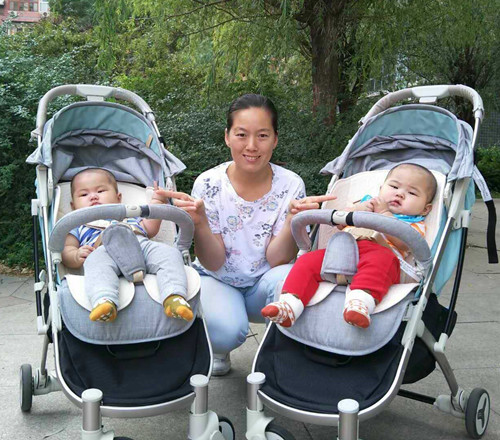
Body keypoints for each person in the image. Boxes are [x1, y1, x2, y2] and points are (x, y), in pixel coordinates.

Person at [156, 94, 334, 375]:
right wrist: (200, 223)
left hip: (265, 283)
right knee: (226, 332)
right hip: (217, 279)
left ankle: (282, 353)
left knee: (292, 278)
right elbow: (213, 262)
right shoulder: (208, 184)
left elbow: (277, 260)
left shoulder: (291, 185)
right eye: (241, 134)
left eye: (262, 135)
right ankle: (219, 348)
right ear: (227, 137)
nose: (252, 146)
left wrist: (292, 219)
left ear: (275, 139)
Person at [261, 163, 437, 329]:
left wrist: (384, 214)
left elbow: (406, 243)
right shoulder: (366, 203)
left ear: (425, 209)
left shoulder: (414, 224)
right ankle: (290, 303)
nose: (400, 194)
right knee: (307, 261)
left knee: (384, 260)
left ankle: (361, 301)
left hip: (378, 255)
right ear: (381, 189)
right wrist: (357, 210)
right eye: (394, 187)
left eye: (412, 193)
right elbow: (339, 223)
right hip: (340, 252)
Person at [61, 168, 193, 323]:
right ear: (73, 206)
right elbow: (66, 250)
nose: (93, 196)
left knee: (169, 253)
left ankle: (174, 296)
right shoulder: (78, 226)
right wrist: (75, 255)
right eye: (84, 194)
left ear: (118, 198)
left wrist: (157, 202)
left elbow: (150, 228)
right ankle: (104, 300)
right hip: (103, 252)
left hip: (140, 246)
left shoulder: (130, 215)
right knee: (95, 263)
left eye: (101, 191)